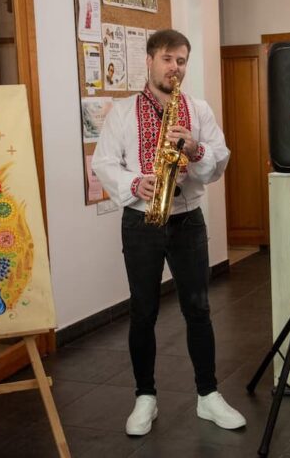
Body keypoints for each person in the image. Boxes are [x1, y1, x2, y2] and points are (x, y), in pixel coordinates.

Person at [91, 29, 246, 436]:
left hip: (187, 217)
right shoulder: (123, 112)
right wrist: (132, 185)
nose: (175, 68)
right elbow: (103, 162)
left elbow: (221, 160)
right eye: (167, 59)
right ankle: (145, 397)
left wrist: (195, 148)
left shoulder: (197, 109)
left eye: (181, 61)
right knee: (143, 311)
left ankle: (208, 396)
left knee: (198, 309)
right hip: (141, 220)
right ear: (150, 60)